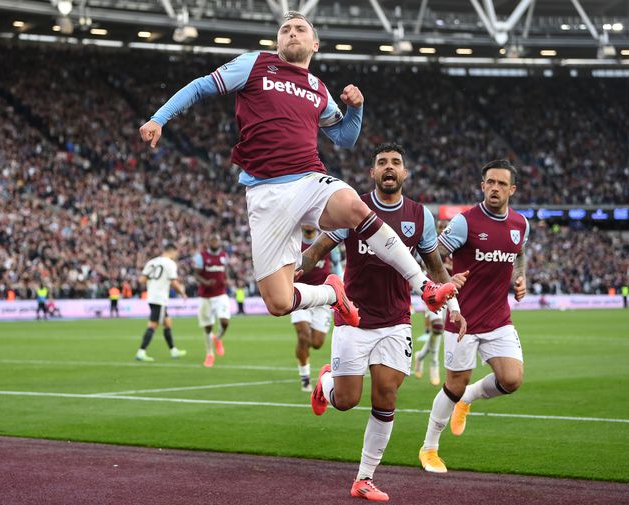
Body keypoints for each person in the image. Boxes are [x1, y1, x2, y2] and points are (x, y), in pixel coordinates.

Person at [138, 11, 455, 328]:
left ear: (314, 43)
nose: (292, 33)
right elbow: (200, 87)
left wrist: (355, 109)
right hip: (264, 192)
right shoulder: (255, 64)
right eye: (285, 29)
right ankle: (332, 295)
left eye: (300, 29)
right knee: (279, 302)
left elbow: (344, 138)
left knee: (355, 207)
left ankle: (424, 287)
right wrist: (159, 118)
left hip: (308, 179)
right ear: (277, 42)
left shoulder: (318, 88)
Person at [300, 143, 467, 501]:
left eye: (396, 163)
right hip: (353, 318)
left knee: (386, 395)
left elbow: (435, 267)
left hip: (396, 321)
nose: (389, 168)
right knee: (345, 401)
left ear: (405, 173)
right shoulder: (354, 209)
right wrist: (297, 269)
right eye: (382, 163)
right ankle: (325, 382)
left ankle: (364, 478)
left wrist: (453, 306)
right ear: (372, 173)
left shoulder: (419, 216)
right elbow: (318, 251)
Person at [419, 159, 529, 474]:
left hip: (498, 318)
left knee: (512, 379)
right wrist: (445, 282)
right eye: (490, 182)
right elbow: (433, 256)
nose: (495, 188)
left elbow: (519, 254)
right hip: (462, 319)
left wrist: (520, 279)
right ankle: (429, 448)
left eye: (501, 184)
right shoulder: (465, 223)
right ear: (482, 186)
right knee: (453, 385)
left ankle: (468, 399)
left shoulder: (520, 224)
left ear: (512, 189)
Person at [293, 225, 343, 392]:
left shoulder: (327, 241)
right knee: (303, 336)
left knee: (316, 343)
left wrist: (342, 287)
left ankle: (315, 369)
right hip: (300, 294)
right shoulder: (294, 242)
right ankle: (305, 379)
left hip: (322, 296)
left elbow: (336, 266)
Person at [135, 244, 188, 362]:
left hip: (152, 296)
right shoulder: (170, 264)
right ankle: (141, 352)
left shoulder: (152, 262)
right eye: (176, 253)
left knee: (168, 322)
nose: (176, 255)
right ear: (172, 251)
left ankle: (173, 350)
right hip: (159, 298)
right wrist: (182, 293)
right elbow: (174, 282)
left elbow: (142, 280)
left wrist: (154, 282)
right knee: (153, 325)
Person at [414, 219, 451, 385]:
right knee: (437, 327)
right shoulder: (431, 245)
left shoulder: (454, 247)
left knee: (439, 330)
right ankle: (434, 363)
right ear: (437, 229)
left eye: (446, 227)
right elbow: (424, 264)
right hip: (432, 291)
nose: (443, 230)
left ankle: (421, 356)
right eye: (441, 227)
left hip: (449, 293)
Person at [193, 234, 231, 368]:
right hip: (205, 296)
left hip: (221, 294)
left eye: (217, 240)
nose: (215, 242)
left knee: (225, 322)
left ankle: (218, 338)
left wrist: (227, 279)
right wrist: (205, 282)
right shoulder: (201, 256)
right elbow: (196, 273)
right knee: (208, 327)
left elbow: (225, 270)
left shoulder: (224, 256)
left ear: (220, 242)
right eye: (212, 240)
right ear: (208, 242)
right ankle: (210, 354)